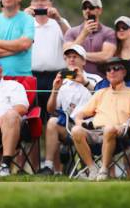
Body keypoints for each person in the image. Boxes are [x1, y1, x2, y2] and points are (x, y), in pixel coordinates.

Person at [70, 57, 130, 181]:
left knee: (109, 129)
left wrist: (124, 126)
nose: (112, 71)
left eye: (116, 68)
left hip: (119, 135)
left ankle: (104, 169)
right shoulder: (100, 92)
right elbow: (82, 113)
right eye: (108, 69)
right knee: (76, 130)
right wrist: (79, 121)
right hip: (94, 132)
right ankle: (93, 168)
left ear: (124, 72)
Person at [40, 44, 100, 176]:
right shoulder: (63, 83)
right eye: (68, 57)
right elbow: (51, 109)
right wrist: (55, 89)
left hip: (93, 126)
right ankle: (48, 167)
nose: (71, 60)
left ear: (84, 61)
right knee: (52, 121)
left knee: (74, 127)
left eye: (75, 57)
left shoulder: (95, 79)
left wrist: (84, 82)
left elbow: (103, 100)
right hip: (70, 126)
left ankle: (89, 169)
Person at [25, 0, 67, 121]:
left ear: (50, 3)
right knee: (33, 115)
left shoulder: (59, 22)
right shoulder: (25, 23)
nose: (40, 3)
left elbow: (71, 41)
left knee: (54, 114)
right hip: (32, 75)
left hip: (56, 76)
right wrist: (22, 18)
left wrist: (58, 19)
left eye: (43, 0)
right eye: (36, 0)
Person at [64, 0, 116, 78]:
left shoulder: (109, 32)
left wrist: (80, 55)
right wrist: (84, 34)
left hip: (101, 80)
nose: (87, 10)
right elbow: (66, 54)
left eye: (91, 7)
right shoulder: (71, 32)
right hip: (75, 79)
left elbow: (106, 56)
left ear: (100, 10)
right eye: (84, 7)